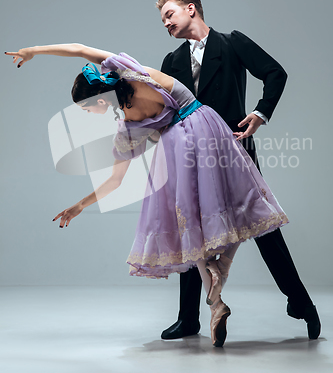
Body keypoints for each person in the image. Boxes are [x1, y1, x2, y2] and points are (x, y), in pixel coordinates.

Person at [7, 44, 288, 346]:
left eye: (87, 107)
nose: (88, 113)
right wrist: (34, 51)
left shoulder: (128, 126)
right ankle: (220, 277)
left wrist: (80, 205)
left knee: (191, 222)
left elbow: (115, 180)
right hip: (208, 128)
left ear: (100, 98)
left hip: (178, 150)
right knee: (233, 204)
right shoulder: (132, 72)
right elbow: (78, 49)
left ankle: (216, 299)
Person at [156, 0, 321, 341]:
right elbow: (162, 110)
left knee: (263, 228)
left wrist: (260, 113)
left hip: (234, 151)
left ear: (191, 9)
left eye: (169, 15)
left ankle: (301, 303)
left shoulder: (231, 43)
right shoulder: (171, 62)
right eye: (162, 19)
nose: (165, 23)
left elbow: (275, 72)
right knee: (193, 230)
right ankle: (189, 319)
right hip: (191, 158)